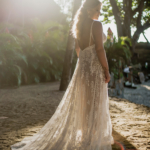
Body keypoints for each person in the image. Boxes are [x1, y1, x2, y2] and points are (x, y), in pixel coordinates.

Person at [11, 0, 114, 149]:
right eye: (98, 10)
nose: (99, 13)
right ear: (89, 10)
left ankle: (86, 135)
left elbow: (78, 50)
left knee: (85, 103)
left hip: (82, 69)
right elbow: (99, 49)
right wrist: (106, 69)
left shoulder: (78, 26)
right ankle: (91, 137)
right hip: (94, 69)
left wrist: (85, 63)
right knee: (95, 103)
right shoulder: (96, 25)